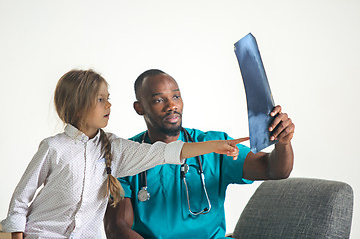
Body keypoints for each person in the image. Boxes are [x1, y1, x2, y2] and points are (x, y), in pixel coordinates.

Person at [1, 69, 248, 239]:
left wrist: (214, 146)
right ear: (78, 106)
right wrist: (16, 235)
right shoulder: (54, 148)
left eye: (108, 99)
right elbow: (21, 200)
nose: (109, 105)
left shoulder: (115, 148)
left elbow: (165, 153)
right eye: (100, 100)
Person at [103, 69, 295, 239]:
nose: (171, 106)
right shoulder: (125, 155)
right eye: (159, 100)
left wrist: (283, 144)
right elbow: (117, 228)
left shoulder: (213, 146)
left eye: (176, 97)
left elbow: (274, 170)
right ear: (140, 108)